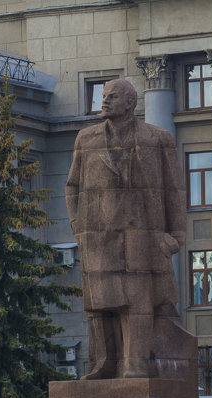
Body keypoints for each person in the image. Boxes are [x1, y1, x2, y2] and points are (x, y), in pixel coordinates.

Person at [65, 77, 192, 380]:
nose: (105, 101)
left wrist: (176, 237)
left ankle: (134, 365)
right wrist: (79, 229)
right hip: (98, 236)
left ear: (130, 103)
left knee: (137, 301)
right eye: (103, 96)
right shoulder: (87, 138)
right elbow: (72, 188)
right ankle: (104, 364)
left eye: (112, 96)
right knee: (99, 304)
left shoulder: (158, 138)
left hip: (143, 235)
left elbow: (174, 190)